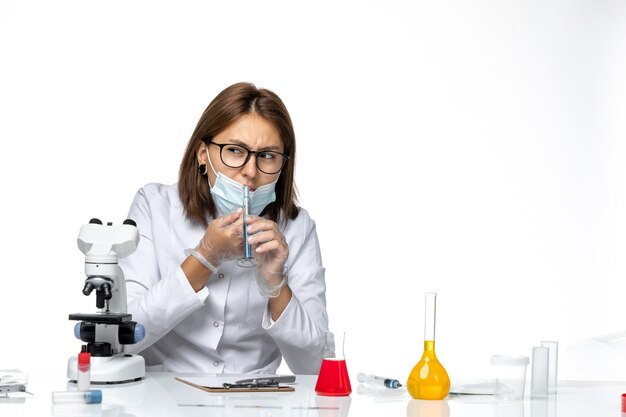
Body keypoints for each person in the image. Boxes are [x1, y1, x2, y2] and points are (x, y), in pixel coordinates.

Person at [119, 82, 329, 374]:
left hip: (254, 400)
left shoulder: (296, 227)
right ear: (203, 154)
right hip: (163, 395)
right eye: (234, 151)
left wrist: (275, 284)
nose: (250, 171)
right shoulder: (154, 206)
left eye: (267, 155)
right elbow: (123, 337)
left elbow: (315, 366)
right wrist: (204, 258)